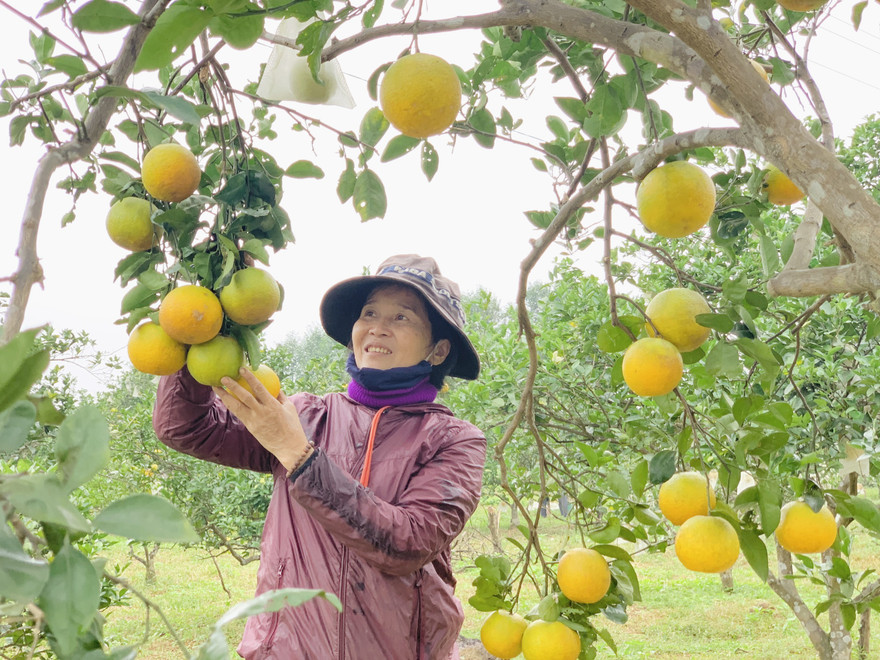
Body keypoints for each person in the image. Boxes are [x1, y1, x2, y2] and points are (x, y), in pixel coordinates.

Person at [152, 254, 486, 660]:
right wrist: (199, 326)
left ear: (438, 350)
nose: (378, 327)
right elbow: (187, 428)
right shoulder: (305, 415)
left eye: (402, 318)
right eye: (369, 313)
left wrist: (300, 455)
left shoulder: (454, 440)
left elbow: (409, 542)